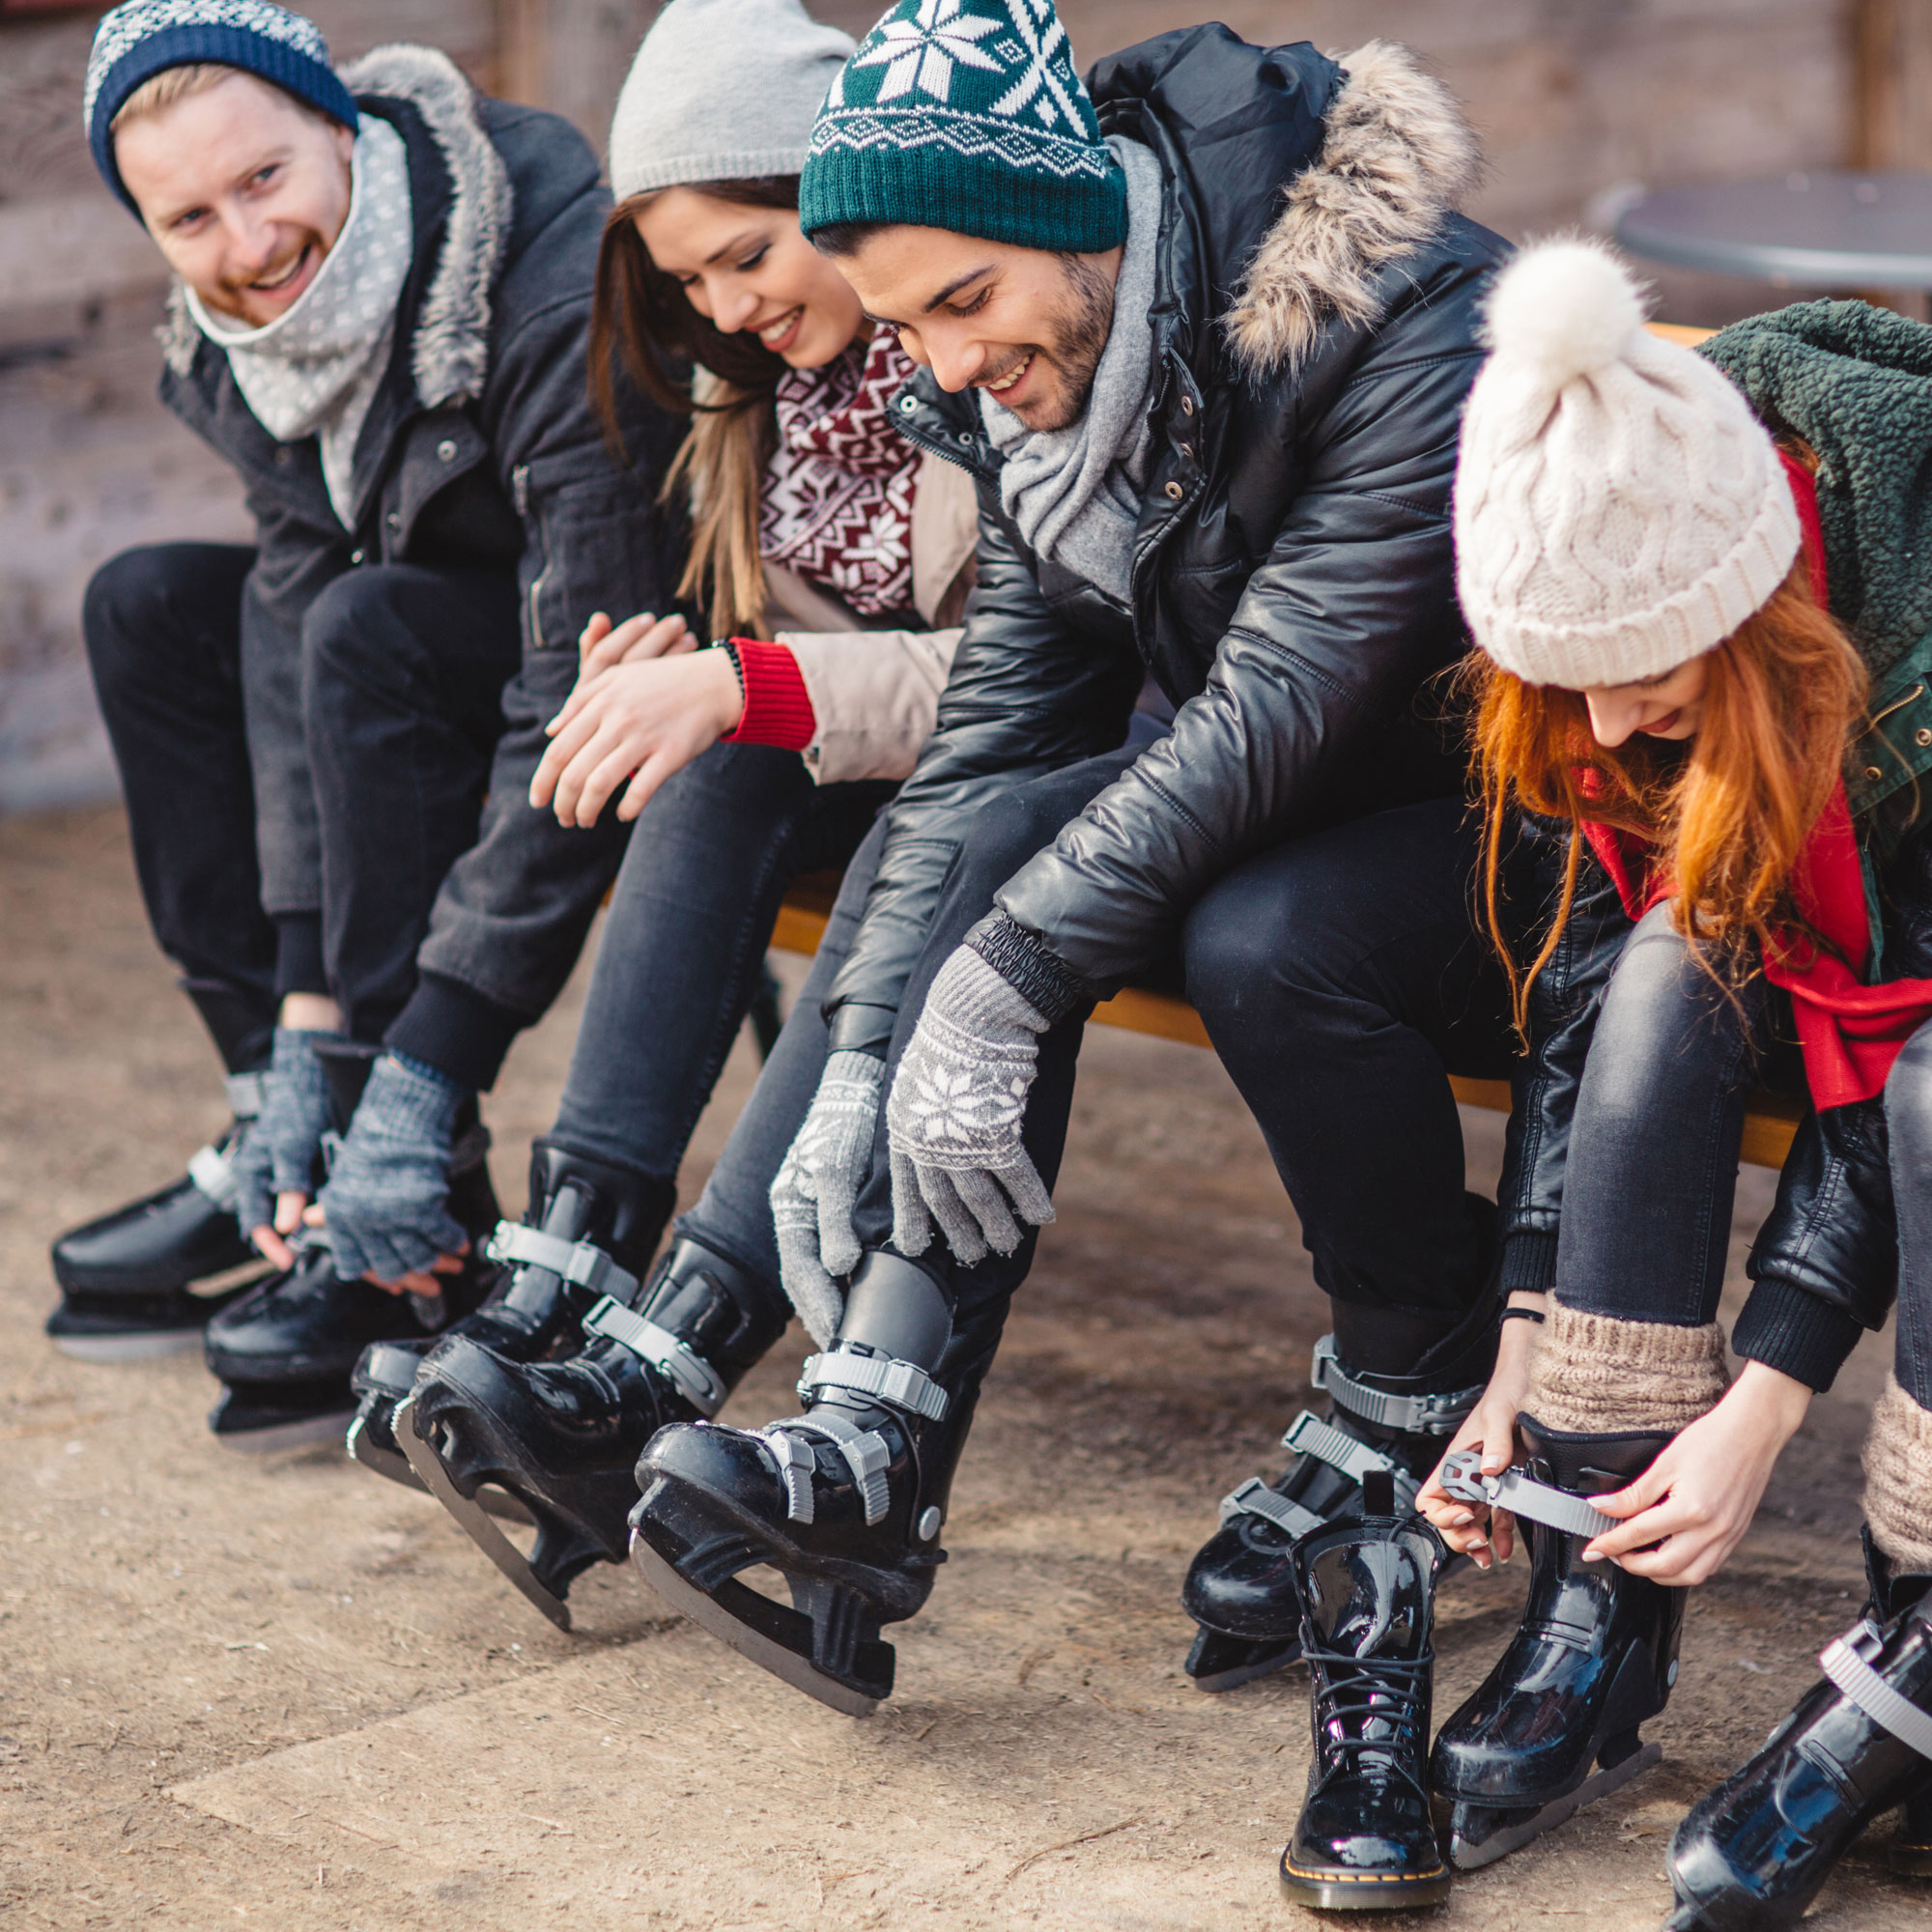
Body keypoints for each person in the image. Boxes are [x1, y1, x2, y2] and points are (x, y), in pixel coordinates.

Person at [625, 0, 1513, 1897]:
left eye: (962, 304)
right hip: (1301, 790)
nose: (944, 366)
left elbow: (1279, 699)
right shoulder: (1046, 361)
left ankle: (1407, 1378)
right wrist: (862, 1059)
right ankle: (875, 1438)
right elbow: (1000, 736)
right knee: (1014, 837)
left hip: (1522, 821)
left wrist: (994, 983)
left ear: (1080, 218)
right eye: (906, 329)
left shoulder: (1400, 308)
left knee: (1254, 935)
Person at [386, 0, 980, 1623]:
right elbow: (781, 650)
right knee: (714, 761)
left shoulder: (981, 335)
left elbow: (1046, 683)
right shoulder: (756, 391)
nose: (726, 306)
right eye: (691, 281)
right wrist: (687, 657)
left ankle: (685, 1335)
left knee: (781, 763)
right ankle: (574, 1260)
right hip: (872, 769)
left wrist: (750, 684)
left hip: (1019, 795)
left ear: (838, 180)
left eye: (749, 251)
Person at [55, 0, 688, 1448]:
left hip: (611, 666)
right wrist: (301, 1014)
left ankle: (417, 1174)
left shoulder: (537, 266)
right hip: (395, 661)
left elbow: (583, 665)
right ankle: (284, 1135)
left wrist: (426, 1065)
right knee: (150, 606)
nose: (246, 245)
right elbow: (281, 614)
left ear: (336, 124)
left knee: (370, 625)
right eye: (190, 217)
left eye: (265, 179)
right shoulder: (237, 343)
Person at [1407, 242, 1932, 1910]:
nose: (1611, 725)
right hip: (1827, 941)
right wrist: (1529, 1345)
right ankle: (1601, 1593)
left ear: (1760, 612)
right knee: (1648, 981)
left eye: (1649, 674)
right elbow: (1572, 1020)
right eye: (1565, 684)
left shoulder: (1905, 664)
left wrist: (1760, 1399)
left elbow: (1896, 1052)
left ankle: (1919, 1629)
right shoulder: (1596, 648)